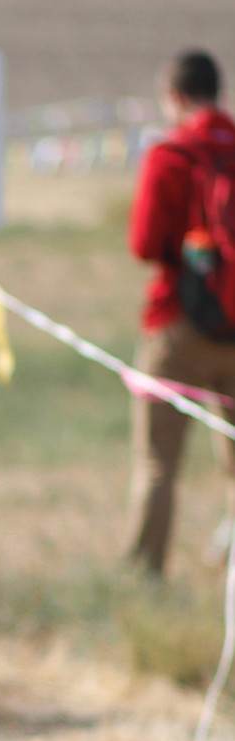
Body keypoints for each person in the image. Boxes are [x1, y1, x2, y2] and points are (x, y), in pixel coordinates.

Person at [127, 49, 235, 574]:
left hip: (177, 325)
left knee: (157, 465)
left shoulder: (169, 153)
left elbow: (145, 243)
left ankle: (145, 579)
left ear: (174, 97)